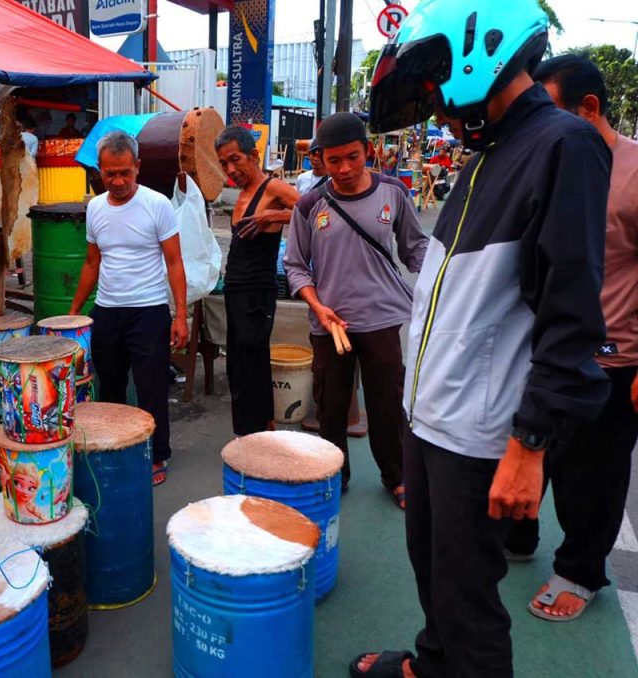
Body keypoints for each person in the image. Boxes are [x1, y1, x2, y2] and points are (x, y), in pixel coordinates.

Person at [352, 2, 611, 676]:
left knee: (469, 603)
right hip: (433, 418)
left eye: (434, 86)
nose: (435, 110)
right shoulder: (486, 154)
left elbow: (572, 312)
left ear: (476, 48)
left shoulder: (561, 144)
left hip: (479, 433)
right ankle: (431, 664)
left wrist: (529, 446)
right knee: (433, 573)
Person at [501, 55, 638, 622]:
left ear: (589, 108)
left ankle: (580, 570)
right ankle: (519, 534)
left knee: (593, 475)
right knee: (531, 445)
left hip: (611, 356)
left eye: (548, 111)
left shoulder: (632, 174)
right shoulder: (547, 162)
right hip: (539, 346)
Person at [283, 112, 427, 506]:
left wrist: (443, 284)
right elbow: (295, 265)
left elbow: (416, 248)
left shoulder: (393, 192)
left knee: (387, 405)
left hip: (381, 319)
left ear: (369, 151)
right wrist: (317, 305)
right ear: (320, 160)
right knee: (330, 407)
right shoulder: (310, 204)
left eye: (353, 157)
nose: (344, 168)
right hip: (329, 325)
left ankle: (396, 476)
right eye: (334, 160)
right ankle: (334, 475)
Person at [68, 131, 188, 486]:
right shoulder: (95, 208)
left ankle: (156, 455)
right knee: (111, 388)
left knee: (151, 388)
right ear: (99, 172)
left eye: (125, 172)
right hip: (107, 311)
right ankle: (115, 448)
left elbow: (175, 262)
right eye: (110, 174)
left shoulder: (158, 205)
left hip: (149, 310)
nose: (118, 181)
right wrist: (75, 311)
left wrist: (180, 315)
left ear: (138, 167)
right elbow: (92, 262)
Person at [215, 126, 301, 436]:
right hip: (236, 289)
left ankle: (261, 431)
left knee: (253, 360)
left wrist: (273, 217)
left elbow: (316, 210)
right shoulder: (243, 194)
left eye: (235, 160)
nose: (230, 169)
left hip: (256, 291)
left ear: (253, 155)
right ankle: (246, 432)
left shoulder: (273, 188)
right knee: (237, 363)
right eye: (224, 163)